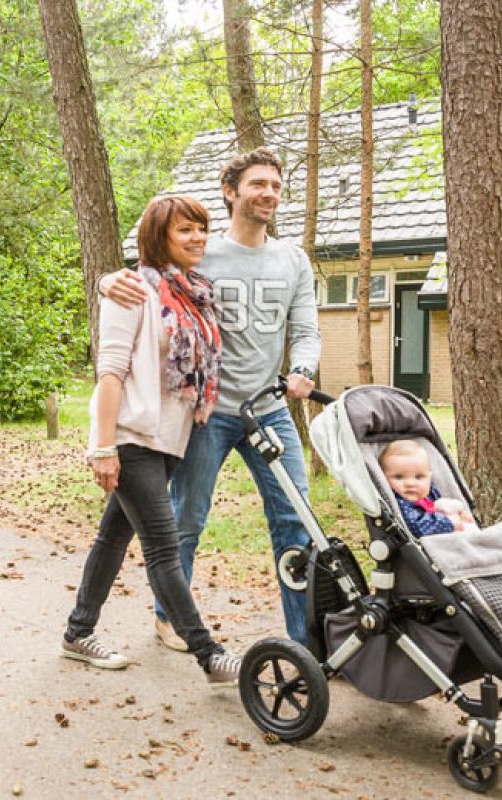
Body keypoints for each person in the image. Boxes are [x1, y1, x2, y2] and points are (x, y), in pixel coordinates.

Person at [100, 148, 321, 649]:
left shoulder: (293, 260)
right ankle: (170, 618)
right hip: (208, 414)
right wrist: (106, 281)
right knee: (188, 518)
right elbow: (146, 278)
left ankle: (306, 639)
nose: (269, 193)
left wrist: (303, 370)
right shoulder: (202, 252)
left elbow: (306, 331)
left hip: (269, 411)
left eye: (276, 185)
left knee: (296, 522)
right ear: (231, 192)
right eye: (258, 184)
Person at [61, 194, 241, 688]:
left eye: (202, 229)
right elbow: (111, 373)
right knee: (163, 547)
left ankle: (79, 633)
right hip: (133, 437)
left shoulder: (194, 293)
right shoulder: (133, 289)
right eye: (186, 230)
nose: (198, 238)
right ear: (158, 236)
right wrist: (103, 447)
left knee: (113, 537)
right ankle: (210, 654)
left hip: (169, 440)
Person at [378, 439, 477, 536]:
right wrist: (448, 522)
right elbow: (416, 526)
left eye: (419, 477)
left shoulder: (429, 491)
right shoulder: (400, 502)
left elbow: (440, 507)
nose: (410, 483)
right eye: (399, 477)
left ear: (429, 477)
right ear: (384, 478)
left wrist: (459, 514)